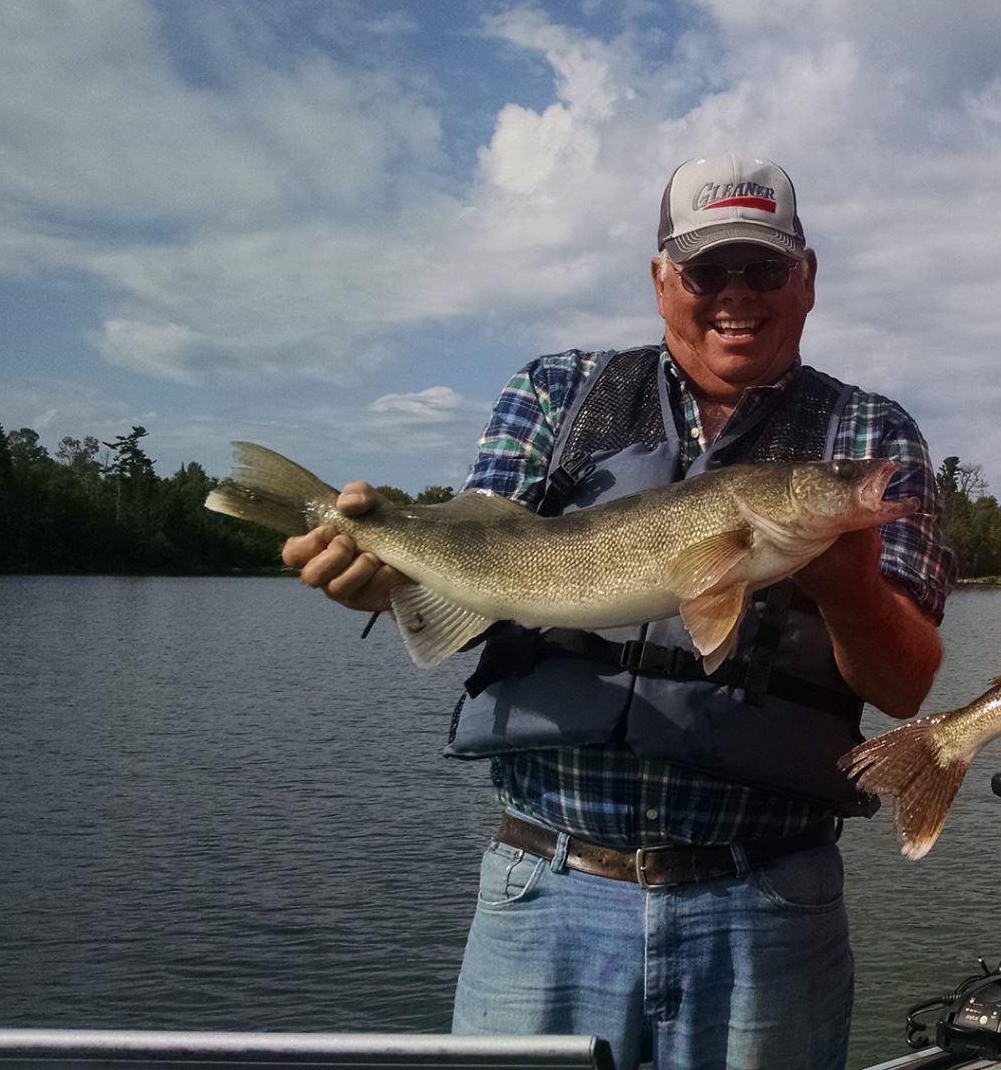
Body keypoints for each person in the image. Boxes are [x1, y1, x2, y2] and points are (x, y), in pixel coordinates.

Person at [279, 152, 953, 1070]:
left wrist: (847, 584)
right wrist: (383, 573)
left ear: (807, 279)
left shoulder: (870, 433)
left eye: (764, 268)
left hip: (764, 906)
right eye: (708, 270)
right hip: (545, 890)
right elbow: (474, 548)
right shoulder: (560, 391)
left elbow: (906, 686)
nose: (736, 294)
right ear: (662, 278)